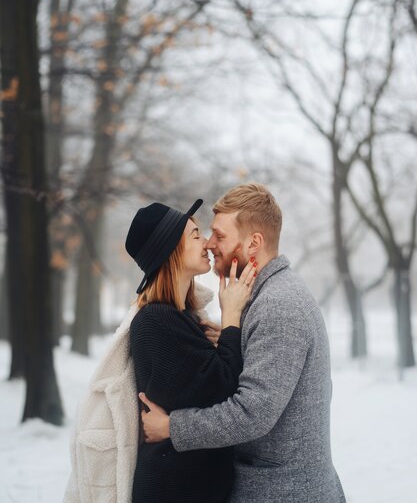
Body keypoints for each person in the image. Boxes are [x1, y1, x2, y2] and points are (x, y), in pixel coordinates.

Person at [140, 183, 346, 503]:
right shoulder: (264, 298)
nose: (210, 244)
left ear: (254, 243)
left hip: (284, 492)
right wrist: (231, 338)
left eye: (220, 236)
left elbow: (252, 414)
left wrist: (172, 428)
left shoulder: (278, 305)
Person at [125, 198, 257, 503]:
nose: (208, 244)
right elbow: (225, 388)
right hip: (174, 489)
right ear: (171, 250)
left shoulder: (183, 319)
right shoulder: (156, 321)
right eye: (196, 235)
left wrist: (223, 336)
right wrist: (232, 316)